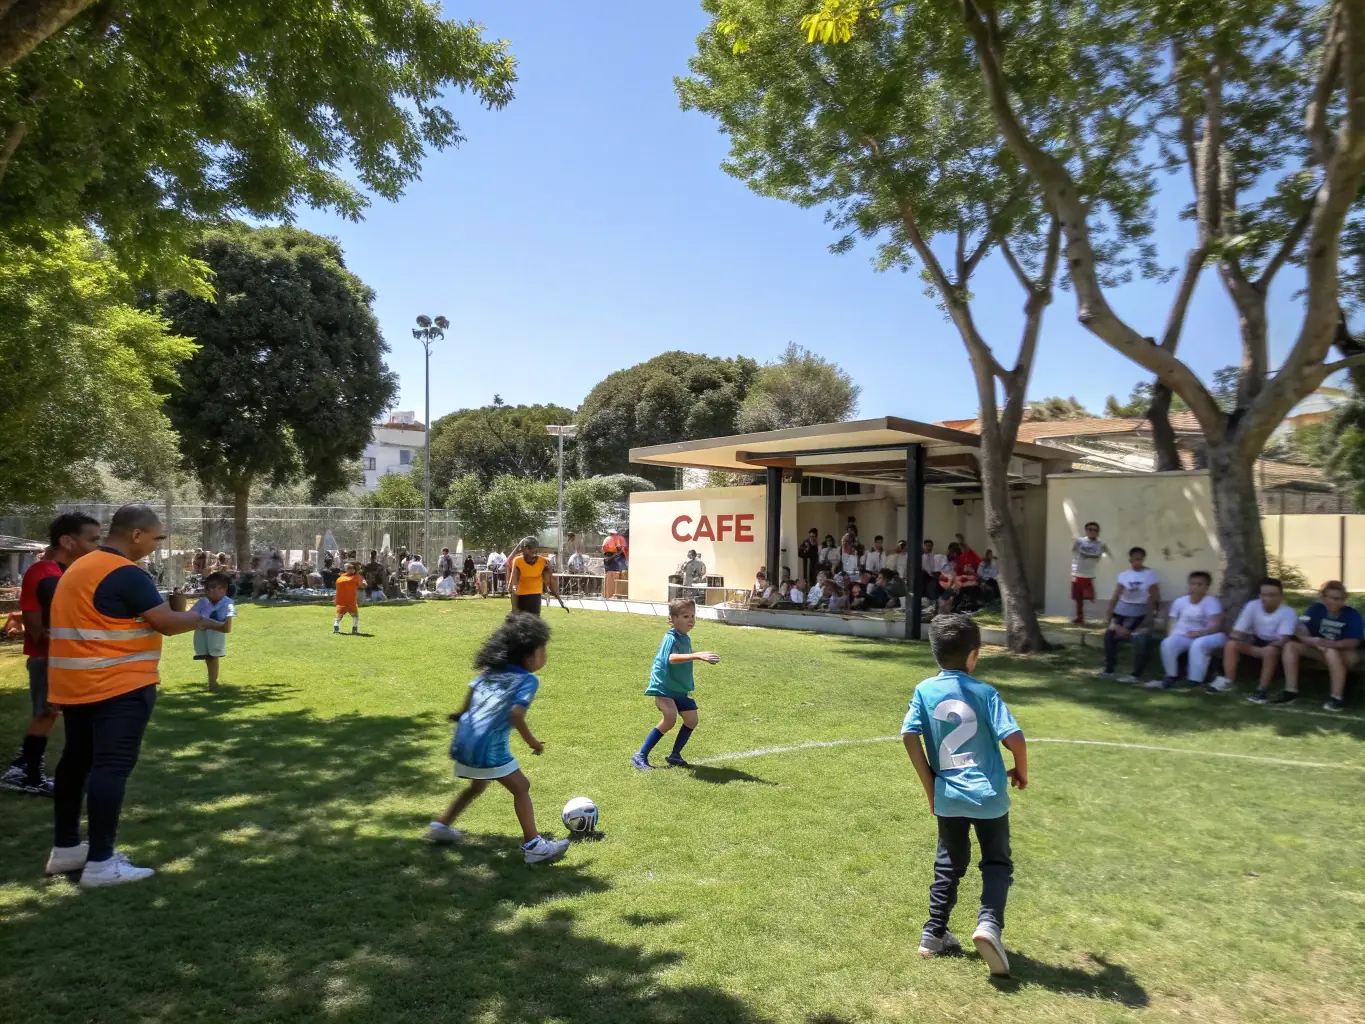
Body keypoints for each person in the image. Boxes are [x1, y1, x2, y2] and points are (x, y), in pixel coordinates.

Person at [45, 503, 218, 887]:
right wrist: (194, 616)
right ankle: (102, 863)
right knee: (112, 766)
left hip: (76, 684)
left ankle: (68, 849)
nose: (156, 546)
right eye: (157, 538)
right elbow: (167, 624)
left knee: (76, 761)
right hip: (116, 685)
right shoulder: (125, 572)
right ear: (136, 534)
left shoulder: (81, 568)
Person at [901, 613, 1027, 977]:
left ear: (935, 652)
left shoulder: (925, 690)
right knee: (996, 862)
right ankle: (988, 925)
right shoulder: (985, 692)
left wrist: (931, 787)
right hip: (988, 797)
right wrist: (1021, 769)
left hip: (948, 796)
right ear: (974, 656)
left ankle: (933, 934)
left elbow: (909, 735)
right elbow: (1014, 737)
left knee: (949, 863)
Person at [426, 613, 570, 864]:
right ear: (529, 655)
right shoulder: (527, 680)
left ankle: (440, 825)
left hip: (464, 740)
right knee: (521, 787)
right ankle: (534, 845)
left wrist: (461, 716)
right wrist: (532, 742)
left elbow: (469, 699)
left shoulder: (488, 672)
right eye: (542, 650)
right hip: (487, 746)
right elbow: (516, 713)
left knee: (477, 785)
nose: (545, 656)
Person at [1, 514, 102, 796]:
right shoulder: (45, 572)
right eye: (92, 539)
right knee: (46, 713)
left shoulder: (66, 572)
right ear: (67, 541)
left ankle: (24, 768)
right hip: (48, 657)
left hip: (64, 657)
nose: (98, 544)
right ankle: (28, 774)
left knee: (51, 714)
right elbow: (41, 622)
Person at [631, 598, 720, 770]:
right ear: (672, 619)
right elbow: (671, 658)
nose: (691, 620)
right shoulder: (670, 637)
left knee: (692, 719)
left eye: (693, 616)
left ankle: (675, 755)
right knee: (670, 718)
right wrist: (697, 655)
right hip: (663, 687)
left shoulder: (685, 638)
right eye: (685, 616)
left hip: (679, 688)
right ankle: (640, 756)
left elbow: (683, 655)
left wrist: (698, 654)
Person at [1256, 580, 1363, 711]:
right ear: (1323, 597)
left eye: (1340, 599)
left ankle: (1337, 697)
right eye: (1332, 598)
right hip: (1320, 649)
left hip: (1342, 653)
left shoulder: (1352, 614)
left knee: (1331, 651)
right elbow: (1302, 629)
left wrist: (1329, 644)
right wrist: (1309, 640)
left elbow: (1354, 642)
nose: (1336, 602)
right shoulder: (1316, 609)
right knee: (1290, 646)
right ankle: (1290, 691)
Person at [1209, 578, 1298, 694]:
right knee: (1231, 644)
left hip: (1277, 647)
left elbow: (1283, 640)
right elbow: (1237, 632)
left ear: (1280, 596)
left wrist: (1265, 648)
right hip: (1257, 642)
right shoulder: (1252, 606)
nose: (1267, 598)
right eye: (1264, 595)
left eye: (1272, 595)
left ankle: (1262, 689)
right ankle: (1228, 681)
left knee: (1270, 651)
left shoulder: (1288, 612)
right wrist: (1241, 637)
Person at [1095, 547, 1160, 683]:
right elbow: (1116, 595)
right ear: (1130, 559)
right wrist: (1109, 615)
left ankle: (1136, 675)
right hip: (1123, 609)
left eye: (1140, 558)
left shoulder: (1149, 574)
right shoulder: (1124, 575)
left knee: (1140, 638)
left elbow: (1155, 597)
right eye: (1135, 558)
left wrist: (1153, 614)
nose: (1138, 561)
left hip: (1141, 610)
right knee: (1109, 635)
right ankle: (1109, 669)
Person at [1153, 571, 1224, 689]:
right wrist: (1170, 636)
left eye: (1199, 584)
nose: (1195, 587)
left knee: (1198, 644)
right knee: (1167, 643)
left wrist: (1201, 633)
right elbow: (1172, 622)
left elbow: (1216, 624)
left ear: (1207, 587)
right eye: (1192, 584)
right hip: (1184, 635)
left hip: (1207, 635)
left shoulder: (1211, 602)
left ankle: (1195, 681)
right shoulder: (1180, 601)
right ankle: (1171, 676)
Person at [190, 572, 235, 692]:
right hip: (202, 633)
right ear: (206, 589)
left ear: (225, 589)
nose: (215, 591)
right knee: (207, 656)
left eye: (219, 588)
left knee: (214, 656)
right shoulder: (203, 602)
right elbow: (191, 615)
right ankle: (211, 682)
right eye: (212, 587)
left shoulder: (227, 602)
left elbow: (227, 622)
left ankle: (213, 683)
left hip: (216, 633)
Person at [1070, 522, 1112, 625]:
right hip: (1077, 574)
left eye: (1095, 530)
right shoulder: (1079, 541)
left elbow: (1101, 555)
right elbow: (1074, 552)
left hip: (1090, 575)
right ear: (1086, 530)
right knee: (1078, 598)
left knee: (1090, 598)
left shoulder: (1101, 544)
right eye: (1090, 529)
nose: (1092, 532)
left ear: (1098, 532)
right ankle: (1080, 618)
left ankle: (1098, 619)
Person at [509, 538, 559, 616]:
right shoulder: (518, 560)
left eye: (535, 552)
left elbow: (549, 578)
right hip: (521, 595)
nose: (534, 555)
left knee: (534, 619)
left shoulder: (542, 561)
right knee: (521, 620)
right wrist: (513, 591)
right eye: (531, 552)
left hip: (536, 595)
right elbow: (513, 581)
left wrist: (555, 594)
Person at [334, 561, 362, 635]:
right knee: (355, 616)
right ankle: (354, 630)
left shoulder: (339, 579)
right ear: (351, 569)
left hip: (341, 601)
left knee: (339, 616)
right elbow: (361, 585)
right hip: (351, 601)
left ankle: (336, 629)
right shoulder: (355, 578)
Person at [603, 529, 628, 599]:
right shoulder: (615, 539)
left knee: (616, 575)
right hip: (613, 559)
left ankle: (614, 594)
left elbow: (620, 548)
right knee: (614, 575)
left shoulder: (616, 539)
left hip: (613, 559)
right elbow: (620, 548)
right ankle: (612, 594)